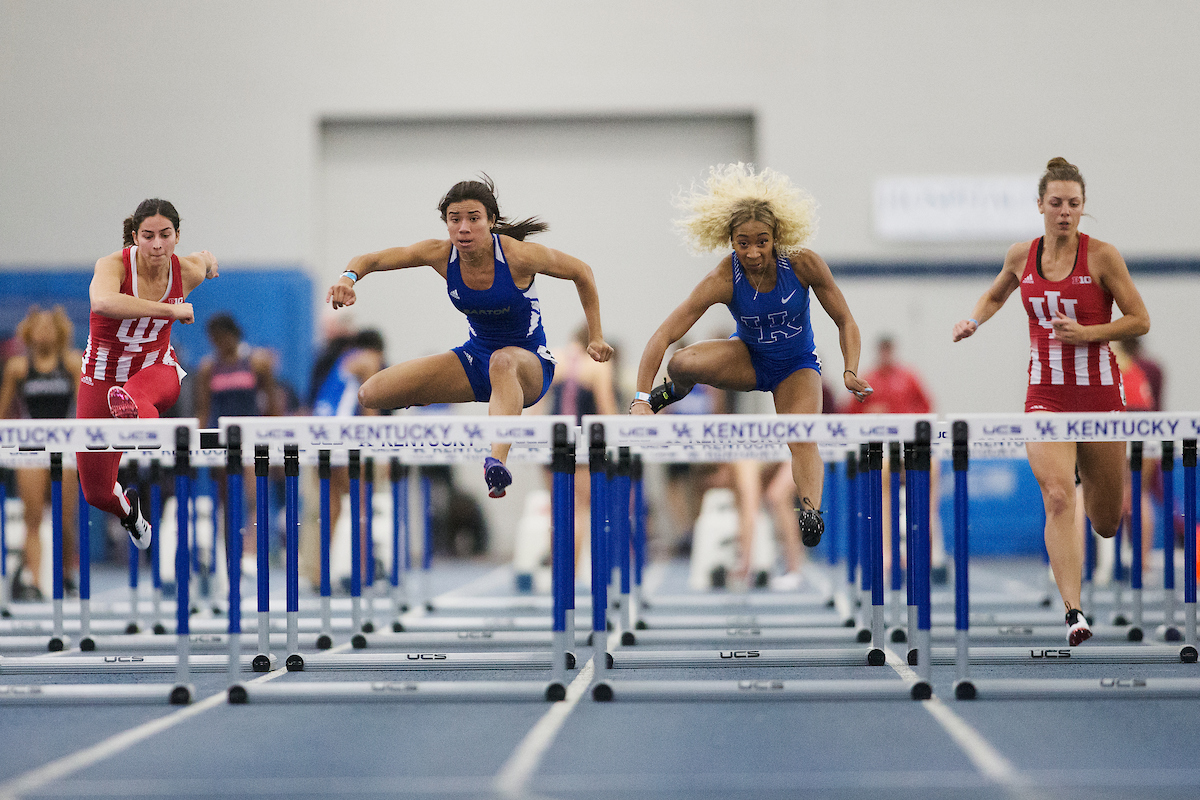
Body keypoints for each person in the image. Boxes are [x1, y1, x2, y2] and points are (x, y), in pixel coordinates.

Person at [631, 163, 873, 563]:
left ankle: (811, 511)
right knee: (681, 362)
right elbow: (663, 334)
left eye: (762, 242)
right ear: (730, 241)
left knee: (801, 435)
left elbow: (845, 320)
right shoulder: (723, 278)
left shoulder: (802, 264)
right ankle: (674, 392)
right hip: (748, 358)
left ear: (777, 238)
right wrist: (641, 398)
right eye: (743, 244)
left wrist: (850, 369)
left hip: (796, 366)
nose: (753, 253)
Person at [953, 157, 1150, 645]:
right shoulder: (1021, 255)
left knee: (1107, 522)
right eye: (1057, 203)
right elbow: (996, 295)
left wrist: (1088, 333)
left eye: (1074, 204)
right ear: (1040, 205)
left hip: (1100, 397)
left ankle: (1088, 489)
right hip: (1045, 396)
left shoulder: (1103, 256)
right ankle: (1073, 612)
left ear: (1083, 208)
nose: (1065, 211)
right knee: (1059, 496)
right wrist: (973, 321)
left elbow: (1140, 320)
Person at [326, 175, 613, 498]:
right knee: (371, 393)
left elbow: (582, 272)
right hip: (476, 360)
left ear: (491, 221)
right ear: (447, 224)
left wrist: (596, 336)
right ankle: (438, 393)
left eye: (473, 219)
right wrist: (348, 279)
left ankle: (496, 462)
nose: (463, 228)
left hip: (529, 366)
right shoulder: (440, 254)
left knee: (503, 361)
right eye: (455, 219)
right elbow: (373, 259)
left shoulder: (519, 256)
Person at [76, 198, 218, 549]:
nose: (157, 245)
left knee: (136, 393)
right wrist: (170, 310)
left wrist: (210, 261)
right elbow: (102, 302)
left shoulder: (187, 271)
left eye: (165, 235)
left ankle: (142, 425)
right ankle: (130, 513)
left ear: (177, 236)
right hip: (102, 378)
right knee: (96, 493)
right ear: (136, 237)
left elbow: (205, 259)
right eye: (149, 236)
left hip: (156, 371)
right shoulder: (113, 266)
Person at [843, 335, 948, 583]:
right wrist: (869, 413)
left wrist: (909, 416)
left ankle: (928, 539)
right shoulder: (867, 380)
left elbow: (928, 411)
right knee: (883, 471)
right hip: (881, 451)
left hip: (910, 447)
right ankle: (887, 550)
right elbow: (849, 416)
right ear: (878, 352)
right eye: (883, 350)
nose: (886, 355)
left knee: (933, 467)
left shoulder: (909, 377)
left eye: (889, 350)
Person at [0, 306, 82, 598]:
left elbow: (84, 407)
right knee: (32, 519)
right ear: (28, 333)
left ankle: (67, 575)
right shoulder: (18, 367)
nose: (44, 332)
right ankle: (33, 581)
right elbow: (4, 411)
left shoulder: (72, 363)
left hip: (66, 448)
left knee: (64, 520)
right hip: (32, 449)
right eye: (39, 327)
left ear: (60, 333)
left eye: (50, 327)